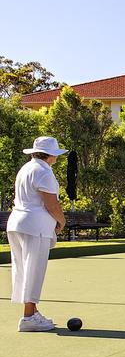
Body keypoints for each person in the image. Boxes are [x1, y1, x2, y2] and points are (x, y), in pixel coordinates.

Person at [7, 136, 67, 332]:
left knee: (23, 269)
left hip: (17, 223)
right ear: (51, 155)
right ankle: (28, 317)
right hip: (35, 226)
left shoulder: (25, 169)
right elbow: (51, 204)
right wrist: (61, 221)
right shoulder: (44, 172)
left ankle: (32, 312)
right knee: (34, 269)